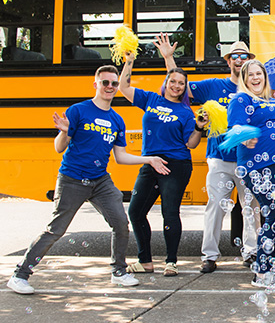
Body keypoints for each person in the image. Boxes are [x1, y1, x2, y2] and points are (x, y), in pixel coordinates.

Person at [7, 65, 170, 295]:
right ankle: (19, 275)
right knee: (56, 230)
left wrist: (149, 159)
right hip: (72, 178)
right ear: (96, 84)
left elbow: (120, 157)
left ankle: (119, 272)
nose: (111, 87)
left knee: (120, 223)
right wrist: (64, 131)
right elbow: (58, 148)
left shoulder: (116, 119)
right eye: (105, 83)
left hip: (100, 180)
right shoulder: (78, 111)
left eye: (114, 83)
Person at [156, 35, 260, 274]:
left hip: (248, 160)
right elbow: (178, 86)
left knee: (251, 208)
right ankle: (210, 256)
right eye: (235, 56)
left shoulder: (255, 89)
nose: (239, 60)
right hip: (219, 159)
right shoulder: (212, 86)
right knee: (215, 208)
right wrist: (169, 58)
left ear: (250, 61)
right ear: (228, 61)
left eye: (244, 57)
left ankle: (251, 252)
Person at [119, 52, 207, 276]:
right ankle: (145, 261)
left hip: (175, 164)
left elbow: (191, 144)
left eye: (181, 83)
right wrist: (129, 61)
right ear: (165, 83)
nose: (176, 86)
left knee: (170, 212)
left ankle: (171, 262)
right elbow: (124, 88)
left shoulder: (186, 113)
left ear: (184, 87)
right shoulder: (151, 99)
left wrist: (199, 127)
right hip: (150, 162)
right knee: (136, 211)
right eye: (173, 81)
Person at [227, 59, 275, 288]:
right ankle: (262, 273)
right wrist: (245, 137)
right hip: (261, 166)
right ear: (244, 79)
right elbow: (235, 128)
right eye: (251, 75)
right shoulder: (242, 98)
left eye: (259, 73)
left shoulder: (274, 100)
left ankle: (266, 267)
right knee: (272, 213)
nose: (256, 78)